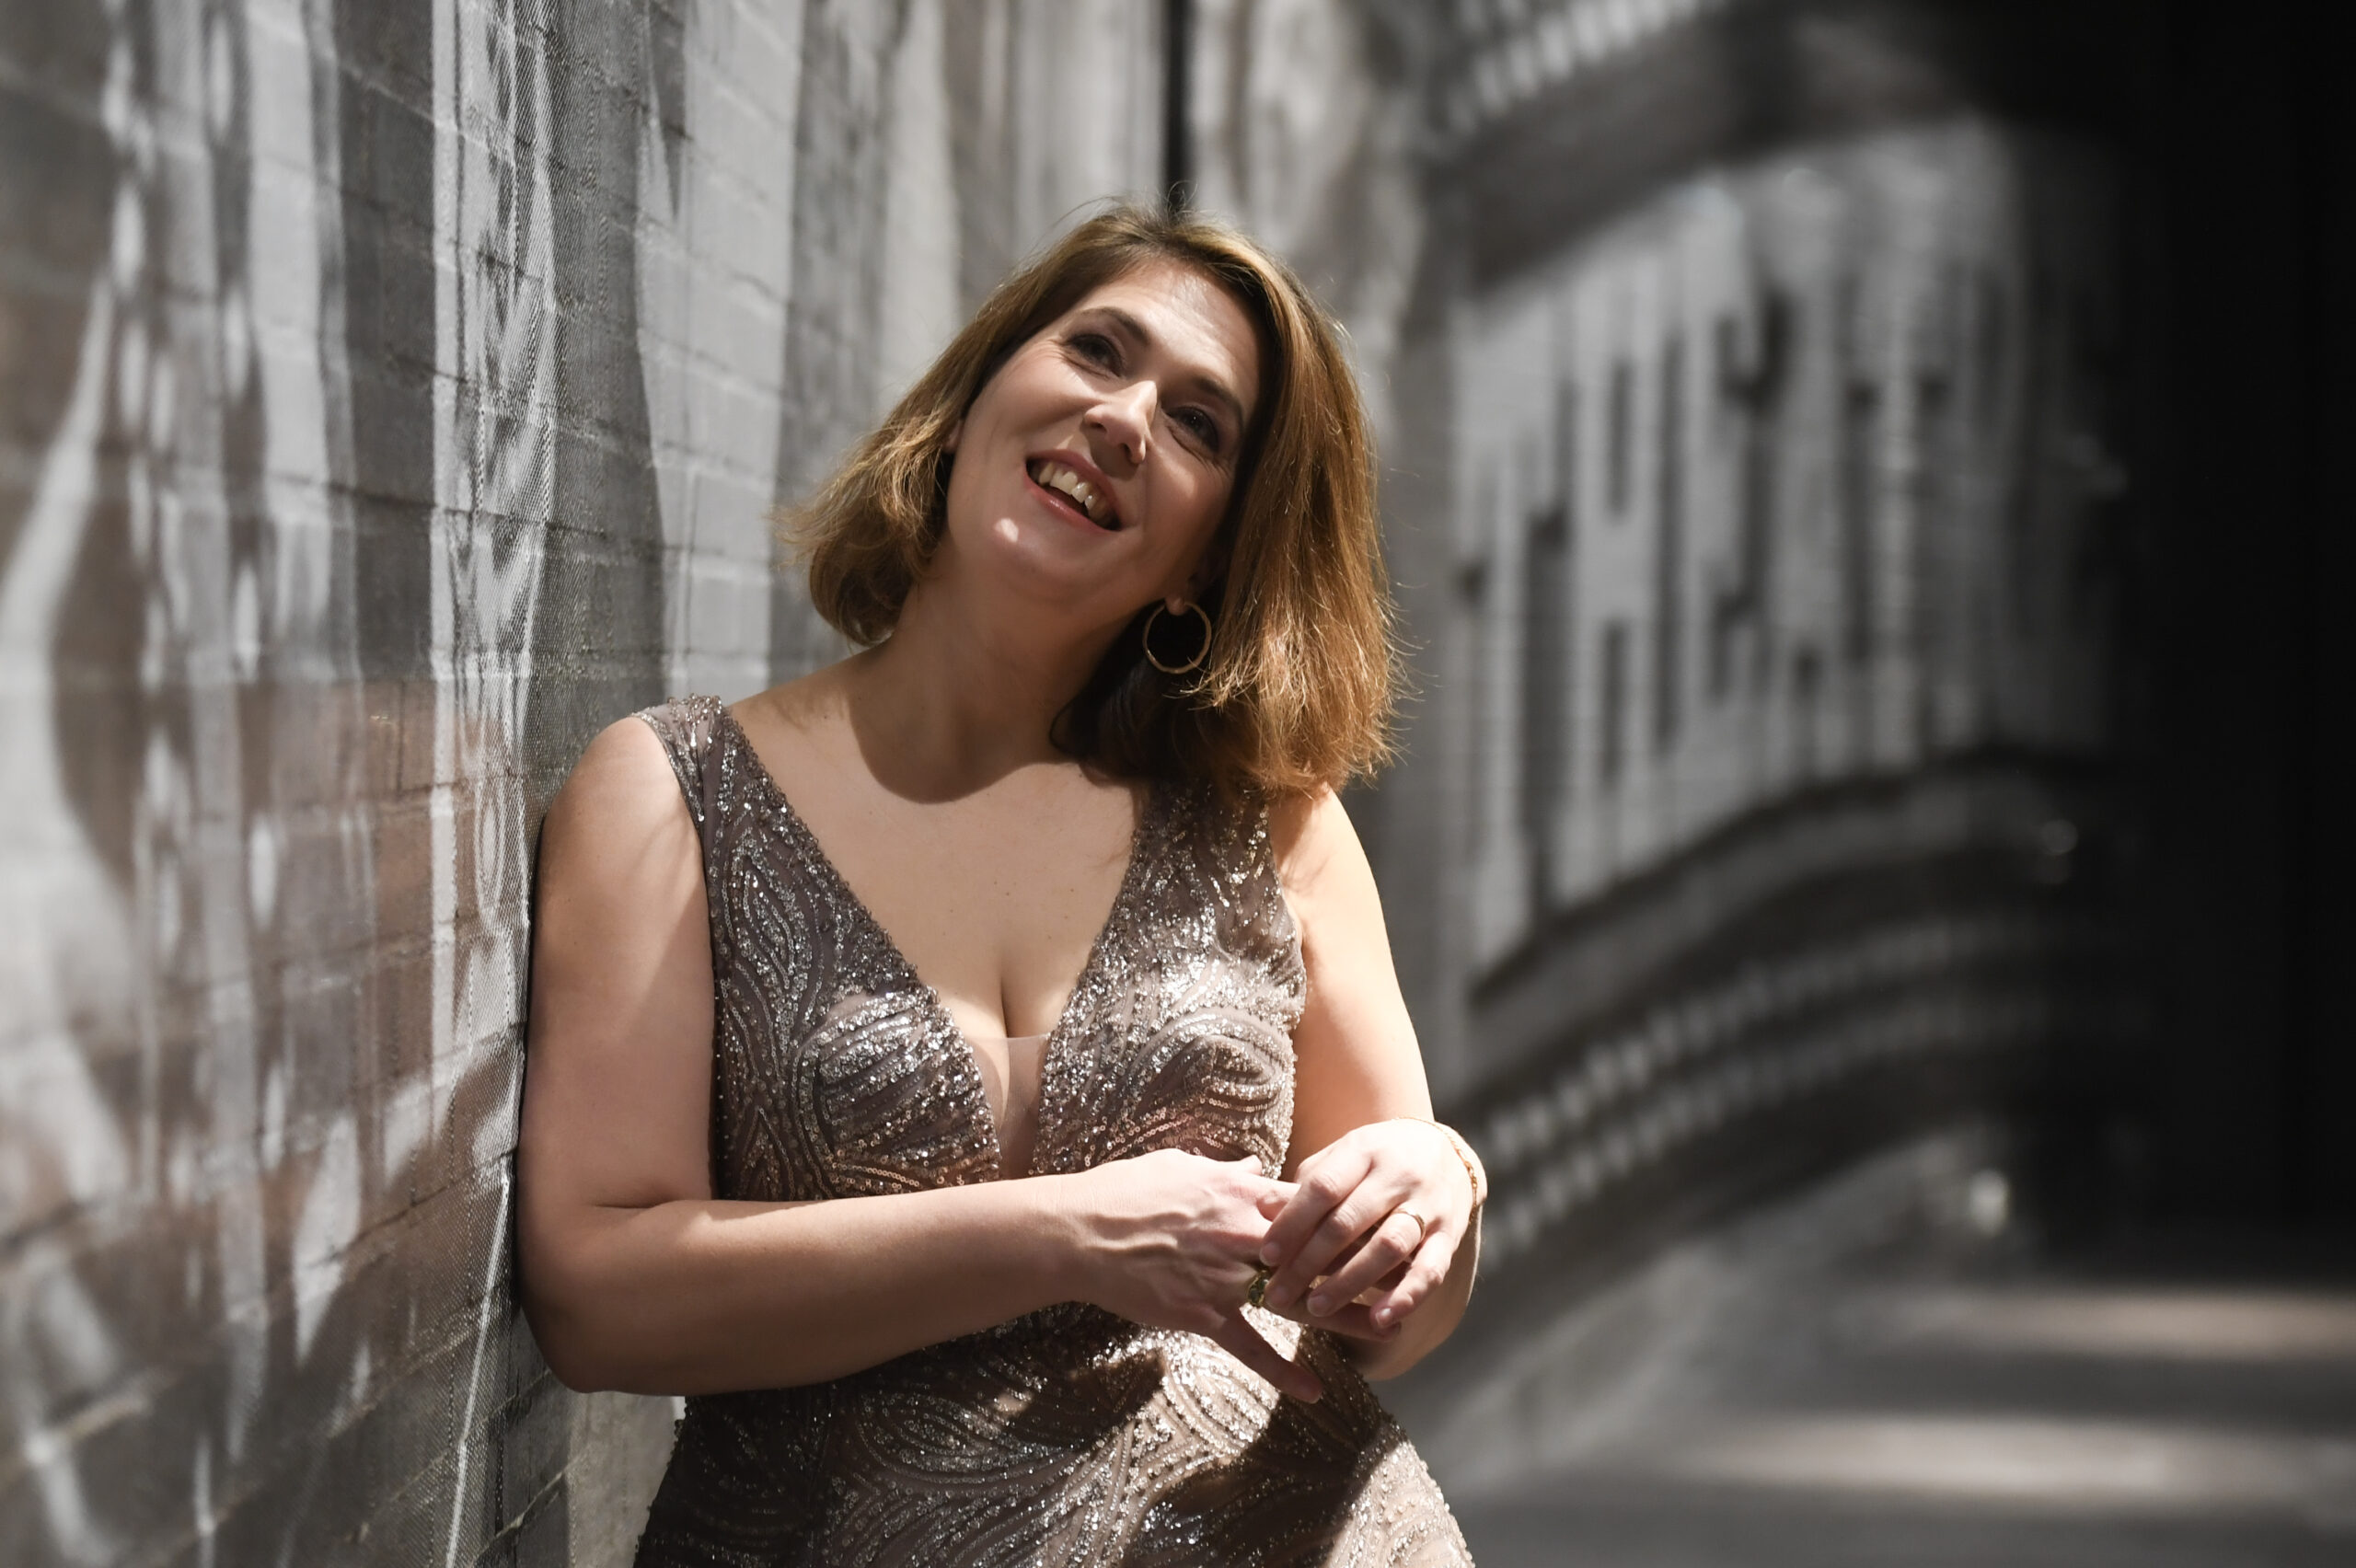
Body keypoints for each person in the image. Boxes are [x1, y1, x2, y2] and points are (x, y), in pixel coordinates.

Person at [519, 203, 1484, 1566]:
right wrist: (1066, 1235)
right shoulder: (676, 796)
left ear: (1210, 555)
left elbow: (1396, 1311)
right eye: (1098, 351)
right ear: (977, 393)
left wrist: (1440, 1192)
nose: (1125, 419)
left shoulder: (1273, 818)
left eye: (1198, 425)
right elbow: (597, 1299)